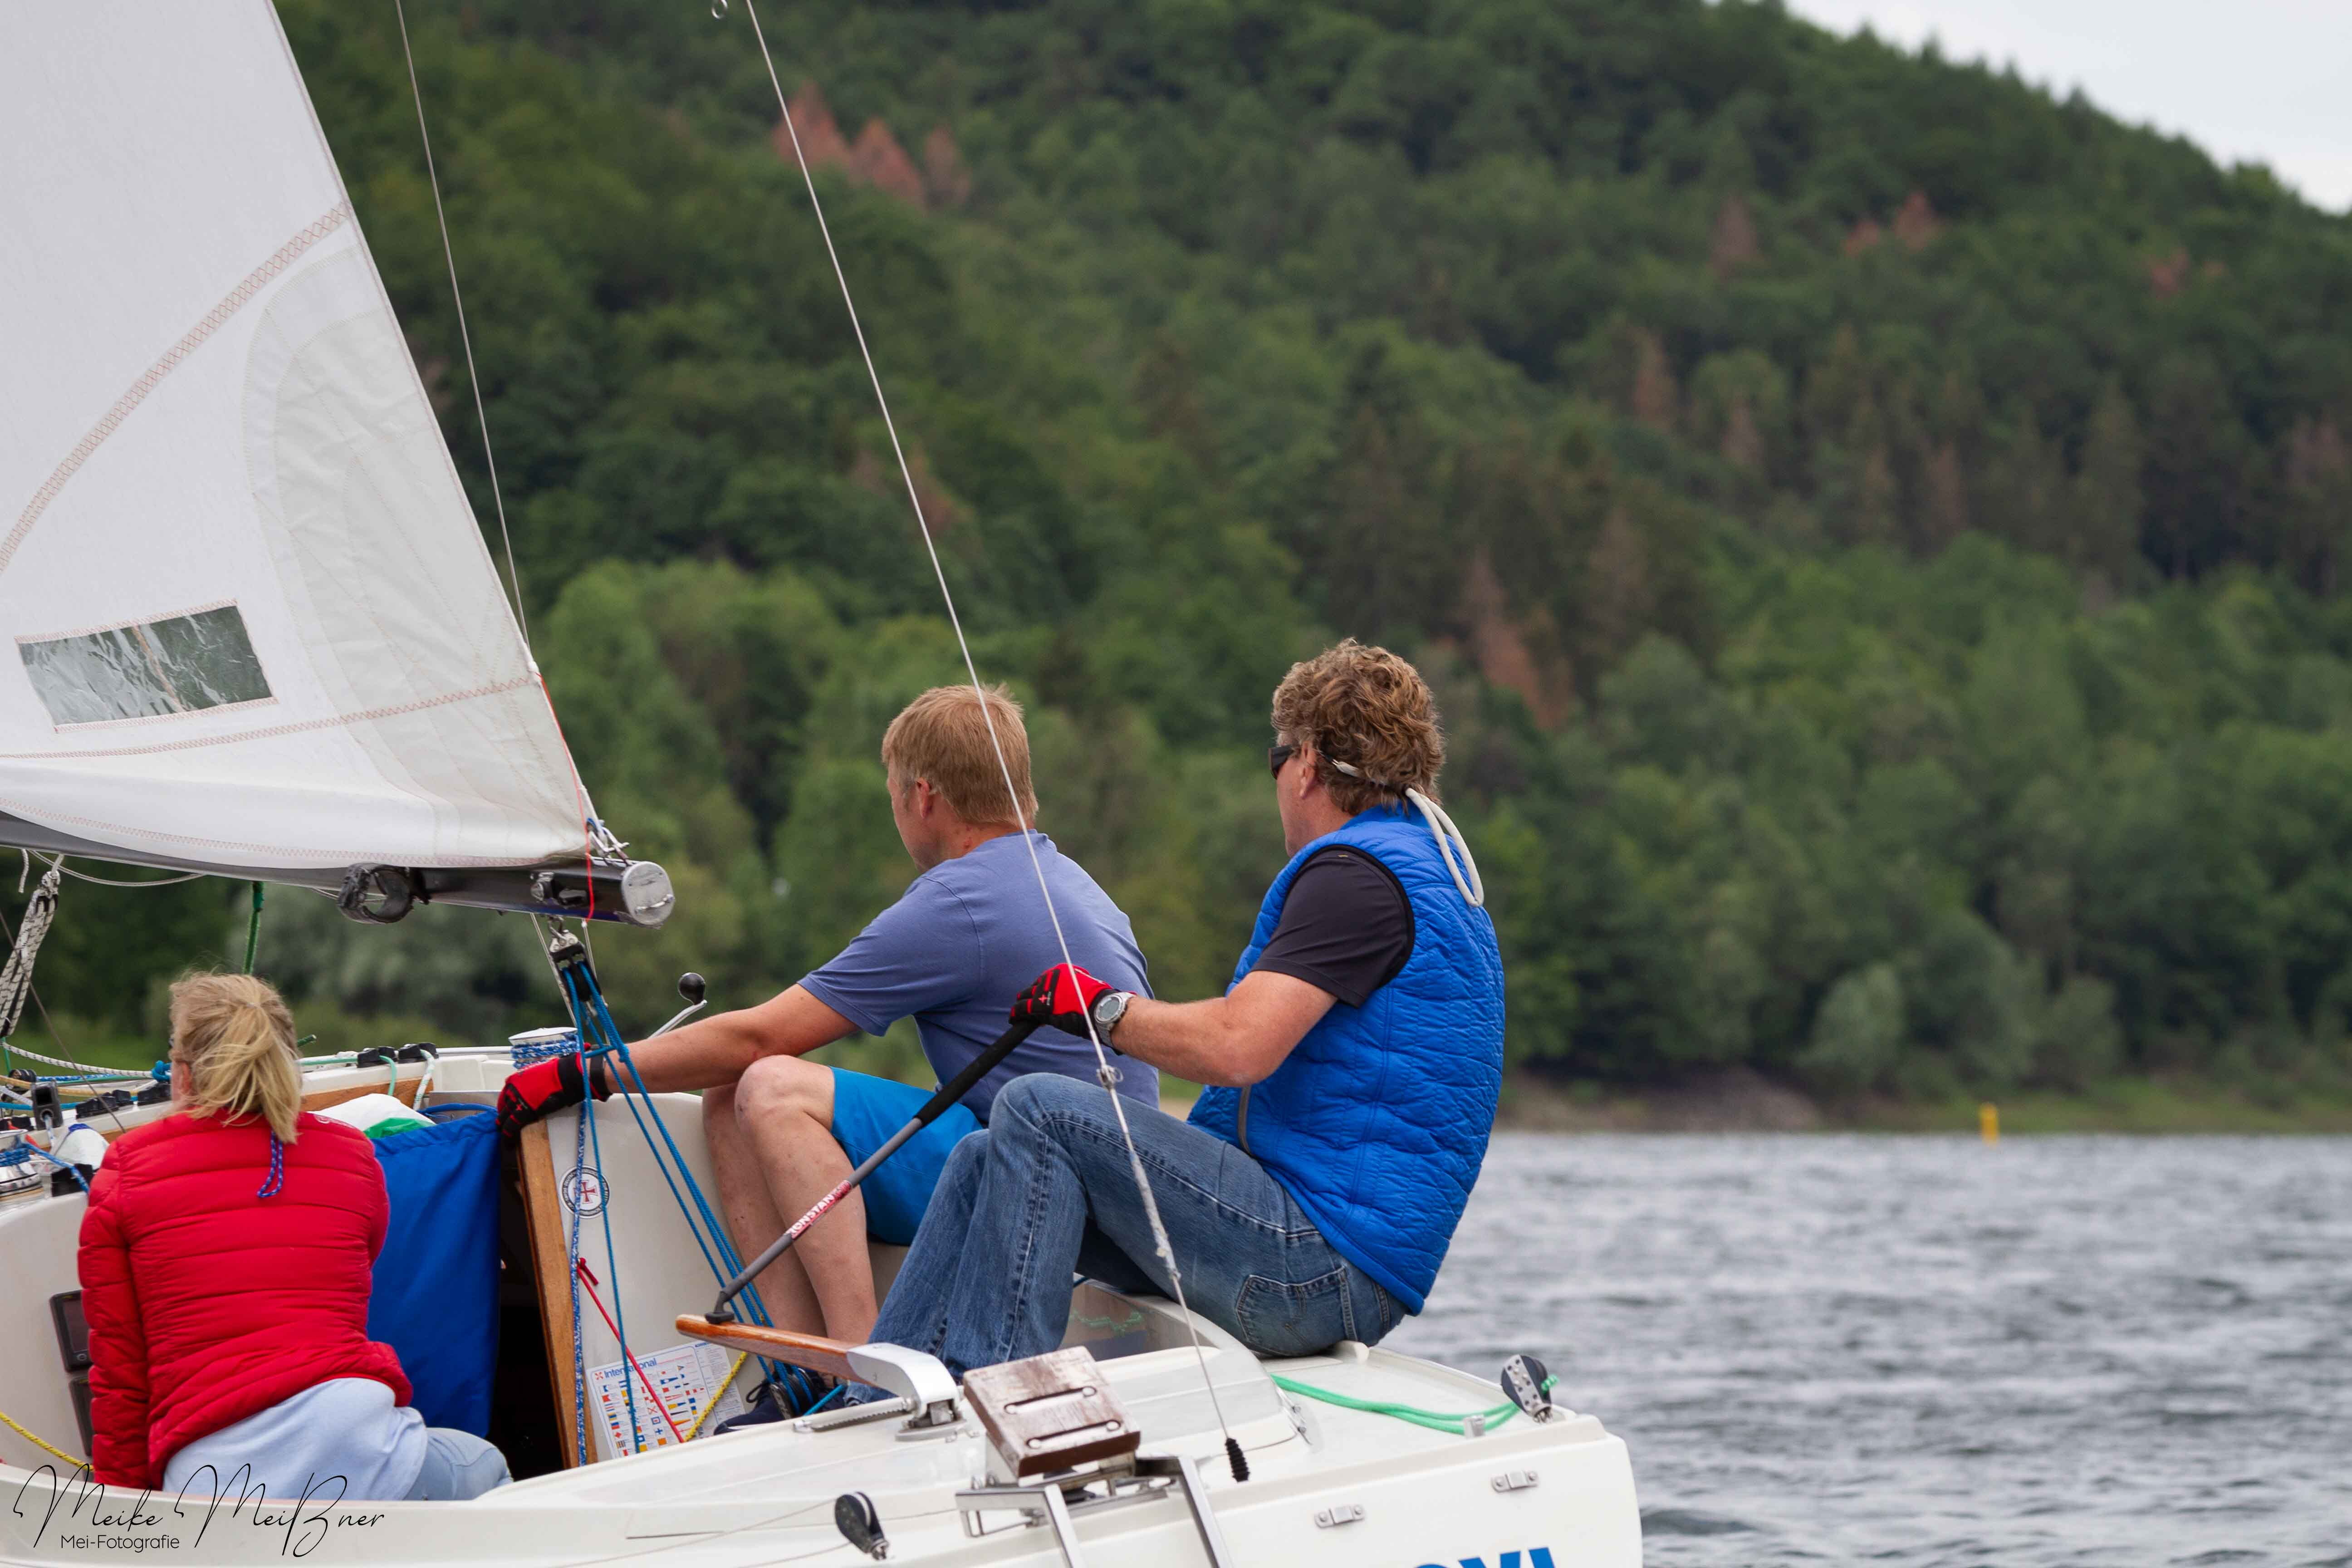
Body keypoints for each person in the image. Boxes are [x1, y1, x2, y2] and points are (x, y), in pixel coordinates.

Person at [858, 640, 1502, 1382]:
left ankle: (1000, 1394)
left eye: (1276, 757)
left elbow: (1238, 1047)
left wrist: (1100, 1007)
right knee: (986, 1154)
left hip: (1313, 1272)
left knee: (1036, 1109)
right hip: (1324, 1257)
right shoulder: (1418, 870)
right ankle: (876, 1396)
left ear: (1306, 764)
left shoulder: (1356, 880)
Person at [496, 684, 1155, 1402]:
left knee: (769, 1085)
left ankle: (861, 1375)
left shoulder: (961, 901)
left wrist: (583, 1074)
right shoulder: (1069, 880)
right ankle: (801, 1375)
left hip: (1043, 1194)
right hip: (1110, 1194)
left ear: (923, 798)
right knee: (731, 1096)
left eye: (893, 795)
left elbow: (760, 1036)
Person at [78, 973, 510, 1500]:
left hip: (210, 1479)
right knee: (486, 1468)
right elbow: (357, 1282)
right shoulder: (353, 1156)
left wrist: (124, 1513)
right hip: (355, 1440)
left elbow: (121, 1375)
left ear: (183, 1074)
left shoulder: (126, 1169)